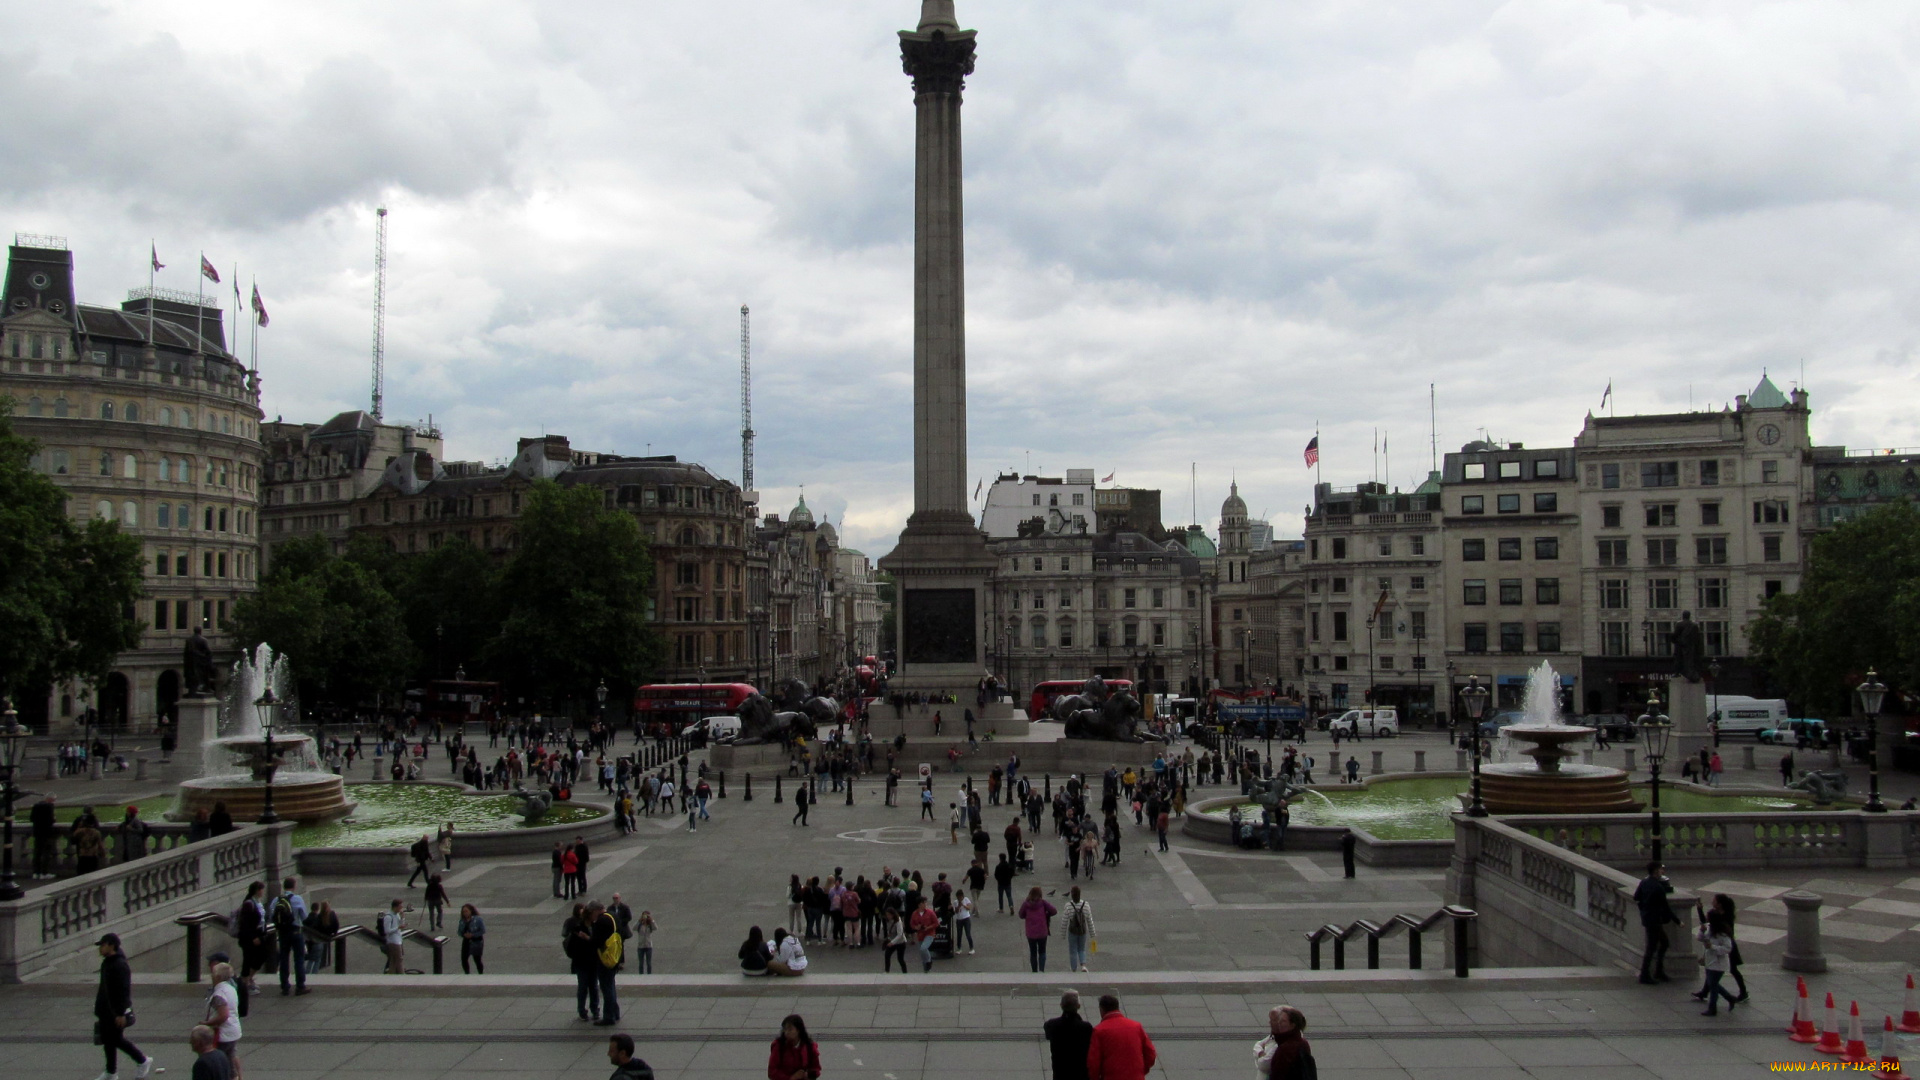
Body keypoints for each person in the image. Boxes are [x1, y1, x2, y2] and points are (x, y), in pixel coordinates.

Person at [94, 933, 153, 1080]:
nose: (100, 948)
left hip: (114, 1012)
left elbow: (124, 991)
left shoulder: (119, 965)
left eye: (102, 945)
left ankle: (142, 1060)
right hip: (105, 1009)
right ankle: (111, 1072)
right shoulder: (108, 962)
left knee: (116, 1040)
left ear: (111, 945)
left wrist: (120, 1013)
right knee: (108, 1041)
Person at [1693, 894, 1748, 1003]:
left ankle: (1743, 992)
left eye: (1714, 901)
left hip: (1726, 945)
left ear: (1719, 904)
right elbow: (1708, 923)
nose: (1712, 902)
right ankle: (1704, 992)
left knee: (1732, 970)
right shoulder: (1719, 914)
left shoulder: (1725, 916)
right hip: (1721, 944)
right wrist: (1700, 910)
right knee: (1712, 968)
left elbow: (1709, 923)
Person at [1087, 994, 1157, 1080]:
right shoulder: (1136, 1026)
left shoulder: (1099, 1031)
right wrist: (1141, 1070)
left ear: (1101, 1010)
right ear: (1117, 1007)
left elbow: (1093, 1063)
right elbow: (1151, 1053)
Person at [1633, 861, 1677, 984]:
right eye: (1660, 870)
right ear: (1655, 871)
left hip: (1647, 918)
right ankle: (1646, 974)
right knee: (1652, 947)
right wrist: (1677, 921)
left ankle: (1657, 971)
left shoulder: (1644, 882)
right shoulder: (1658, 887)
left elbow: (1636, 897)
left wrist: (1644, 908)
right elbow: (1666, 907)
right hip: (1655, 920)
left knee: (1662, 943)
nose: (1662, 872)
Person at [270, 876, 310, 996]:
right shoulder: (298, 899)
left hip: (282, 933)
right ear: (294, 886)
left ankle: (285, 986)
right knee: (299, 959)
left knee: (284, 959)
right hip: (296, 932)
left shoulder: (276, 900)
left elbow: (272, 915)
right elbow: (304, 917)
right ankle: (300, 986)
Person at [1044, 990, 1094, 1080]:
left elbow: (1048, 1035)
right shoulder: (1085, 1027)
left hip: (1060, 1073)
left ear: (1061, 1005)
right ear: (1078, 1006)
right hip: (1080, 1074)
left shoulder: (1051, 1025)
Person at [203, 960, 242, 1074]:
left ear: (218, 977)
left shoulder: (219, 994)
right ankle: (239, 1077)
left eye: (213, 974)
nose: (211, 976)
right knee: (232, 1057)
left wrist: (207, 1023)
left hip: (223, 1033)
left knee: (224, 1062)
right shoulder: (231, 989)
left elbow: (223, 1016)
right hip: (234, 1029)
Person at [1253, 1005, 1313, 1080]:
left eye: (1283, 1021)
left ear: (1292, 1025)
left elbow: (1265, 1066)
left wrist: (1260, 1054)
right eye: (1279, 1020)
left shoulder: (1286, 1047)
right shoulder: (1298, 1041)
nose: (1279, 1023)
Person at [589, 900, 622, 1026]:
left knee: (606, 987)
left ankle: (609, 1016)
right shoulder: (613, 916)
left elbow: (596, 941)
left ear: (595, 911)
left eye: (591, 913)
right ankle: (615, 1012)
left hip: (605, 958)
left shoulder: (601, 921)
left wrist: (588, 938)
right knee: (611, 985)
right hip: (615, 956)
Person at [1696, 914, 1737, 1016]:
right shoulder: (1709, 929)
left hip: (1718, 964)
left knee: (1713, 985)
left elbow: (1728, 948)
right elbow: (1700, 938)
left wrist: (1713, 947)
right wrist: (1701, 930)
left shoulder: (1723, 934)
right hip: (1709, 961)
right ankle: (1730, 998)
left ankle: (1712, 1008)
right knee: (1712, 984)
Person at [566, 903, 601, 1020]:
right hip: (581, 962)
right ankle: (582, 1010)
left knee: (593, 986)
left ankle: (595, 1009)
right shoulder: (577, 928)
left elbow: (597, 943)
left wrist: (589, 939)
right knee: (583, 986)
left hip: (593, 961)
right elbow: (572, 947)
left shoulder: (596, 927)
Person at [234, 881, 268, 996]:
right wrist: (253, 936)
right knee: (248, 959)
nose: (263, 892)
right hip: (249, 937)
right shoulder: (249, 904)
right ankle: (244, 983)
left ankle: (248, 978)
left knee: (262, 955)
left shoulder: (258, 902)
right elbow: (245, 924)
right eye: (261, 889)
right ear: (257, 890)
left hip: (259, 933)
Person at [768, 1014, 821, 1080]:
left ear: (798, 1030)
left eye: (790, 1029)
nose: (787, 1032)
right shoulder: (779, 1046)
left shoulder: (809, 1046)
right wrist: (791, 1078)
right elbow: (772, 1072)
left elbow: (816, 1069)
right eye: (785, 1029)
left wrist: (808, 1074)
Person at [1018, 886, 1057, 972]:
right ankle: (1042, 970)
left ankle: (1034, 971)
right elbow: (1054, 911)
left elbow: (1021, 915)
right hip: (1042, 931)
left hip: (1030, 933)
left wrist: (1027, 916)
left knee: (1033, 952)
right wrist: (1047, 914)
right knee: (1042, 951)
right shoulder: (1043, 903)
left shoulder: (1026, 904)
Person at [1063, 886, 1096, 973]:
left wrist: (1063, 933)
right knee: (1082, 949)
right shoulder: (1086, 905)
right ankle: (1083, 966)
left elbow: (1065, 920)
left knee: (1073, 950)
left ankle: (1074, 968)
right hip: (1082, 931)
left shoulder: (1068, 906)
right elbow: (1089, 920)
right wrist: (1092, 933)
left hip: (1072, 931)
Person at [909, 896, 939, 973]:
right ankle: (926, 969)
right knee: (922, 954)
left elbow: (936, 923)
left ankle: (929, 961)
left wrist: (928, 927)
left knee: (923, 948)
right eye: (923, 903)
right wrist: (917, 927)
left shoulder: (930, 912)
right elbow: (912, 924)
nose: (925, 904)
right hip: (920, 934)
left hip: (929, 933)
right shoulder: (914, 914)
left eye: (925, 902)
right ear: (919, 904)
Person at [379, 898, 407, 975]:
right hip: (393, 941)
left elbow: (401, 924)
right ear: (395, 907)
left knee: (393, 961)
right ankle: (402, 975)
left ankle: (390, 974)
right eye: (400, 907)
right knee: (399, 959)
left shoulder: (397, 915)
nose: (401, 909)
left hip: (398, 939)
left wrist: (402, 918)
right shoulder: (388, 917)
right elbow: (387, 931)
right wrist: (398, 928)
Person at [30, 793, 56, 877]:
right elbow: (51, 820)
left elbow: (31, 818)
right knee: (46, 853)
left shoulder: (36, 806)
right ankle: (44, 872)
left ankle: (36, 872)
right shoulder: (49, 807)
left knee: (37, 853)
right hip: (46, 832)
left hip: (37, 832)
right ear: (50, 799)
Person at [457, 904, 486, 974]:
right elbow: (459, 931)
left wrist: (473, 935)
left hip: (476, 941)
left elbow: (483, 930)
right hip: (466, 941)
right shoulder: (462, 921)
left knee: (477, 959)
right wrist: (463, 934)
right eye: (463, 912)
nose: (465, 913)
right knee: (464, 959)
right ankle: (467, 973)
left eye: (466, 911)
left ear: (471, 911)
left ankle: (481, 973)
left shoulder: (478, 919)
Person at [952, 888, 976, 955]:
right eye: (958, 897)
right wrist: (958, 906)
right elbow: (955, 911)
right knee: (959, 934)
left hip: (966, 919)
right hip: (959, 919)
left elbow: (969, 908)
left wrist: (963, 905)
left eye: (960, 897)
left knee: (968, 933)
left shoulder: (966, 899)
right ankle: (959, 948)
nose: (959, 898)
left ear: (962, 896)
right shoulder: (955, 902)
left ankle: (971, 948)